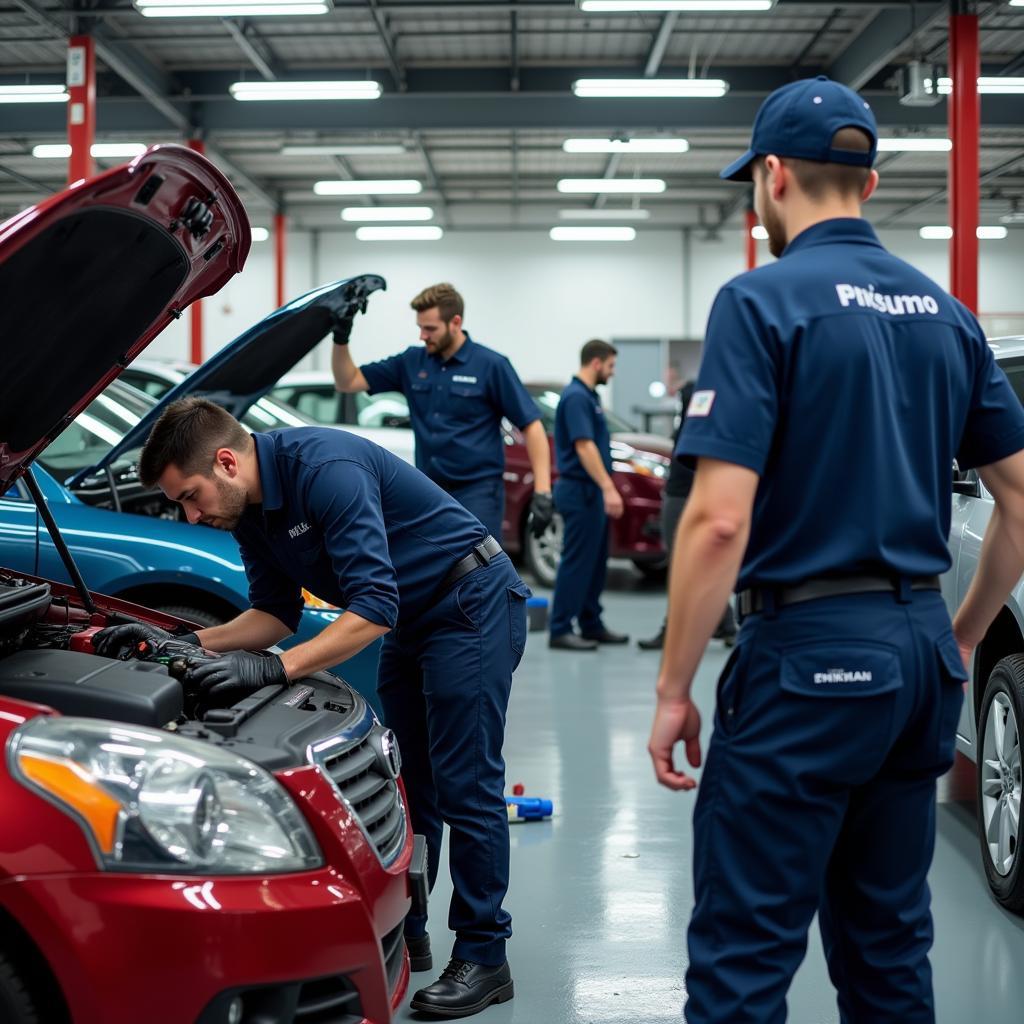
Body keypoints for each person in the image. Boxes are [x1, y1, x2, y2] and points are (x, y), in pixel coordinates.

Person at [647, 75, 1024, 1024]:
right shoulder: (948, 315)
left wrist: (671, 690)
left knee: (745, 954)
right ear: (869, 178)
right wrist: (965, 635)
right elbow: (1020, 497)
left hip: (810, 661)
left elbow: (719, 520)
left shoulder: (762, 302)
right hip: (919, 658)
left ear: (773, 176)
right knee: (890, 944)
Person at [94, 399, 531, 1019]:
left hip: (470, 601)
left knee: (467, 783)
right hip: (415, 618)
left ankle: (487, 956)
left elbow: (373, 606)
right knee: (410, 783)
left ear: (226, 462)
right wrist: (177, 641)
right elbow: (275, 614)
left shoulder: (326, 468)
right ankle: (413, 929)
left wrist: (275, 666)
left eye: (189, 496)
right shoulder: (248, 510)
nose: (190, 514)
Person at [330, 282, 553, 542]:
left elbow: (532, 426)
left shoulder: (491, 365)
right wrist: (341, 337)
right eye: (420, 327)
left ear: (455, 322)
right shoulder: (412, 361)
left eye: (430, 329)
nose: (423, 336)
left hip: (478, 493)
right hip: (429, 490)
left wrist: (542, 491)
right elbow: (347, 381)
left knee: (481, 571)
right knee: (432, 570)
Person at [637, 380, 737, 650]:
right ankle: (725, 623)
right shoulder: (702, 408)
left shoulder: (698, 407)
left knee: (685, 565)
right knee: (693, 564)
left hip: (684, 494)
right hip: (686, 491)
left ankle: (678, 629)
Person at [548, 339, 629, 651]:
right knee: (578, 561)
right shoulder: (576, 398)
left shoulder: (589, 396)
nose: (612, 372)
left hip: (590, 490)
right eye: (611, 366)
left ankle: (591, 622)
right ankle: (560, 628)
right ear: (596, 363)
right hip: (579, 489)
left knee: (596, 562)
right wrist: (609, 488)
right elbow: (585, 446)